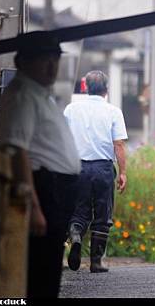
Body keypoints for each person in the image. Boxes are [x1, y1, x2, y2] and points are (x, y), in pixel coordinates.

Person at [0, 37, 82, 298]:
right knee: (40, 269)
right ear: (22, 62)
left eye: (55, 60)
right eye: (45, 60)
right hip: (43, 188)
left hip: (56, 190)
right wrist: (33, 207)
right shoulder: (23, 94)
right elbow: (16, 150)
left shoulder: (39, 94)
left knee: (48, 265)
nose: (52, 66)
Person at [64, 70, 128, 273]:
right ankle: (96, 262)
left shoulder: (71, 110)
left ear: (85, 88)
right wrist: (123, 172)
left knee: (78, 211)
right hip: (103, 168)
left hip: (77, 167)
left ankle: (75, 235)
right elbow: (118, 145)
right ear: (106, 90)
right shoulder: (113, 112)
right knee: (102, 215)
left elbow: (63, 139)